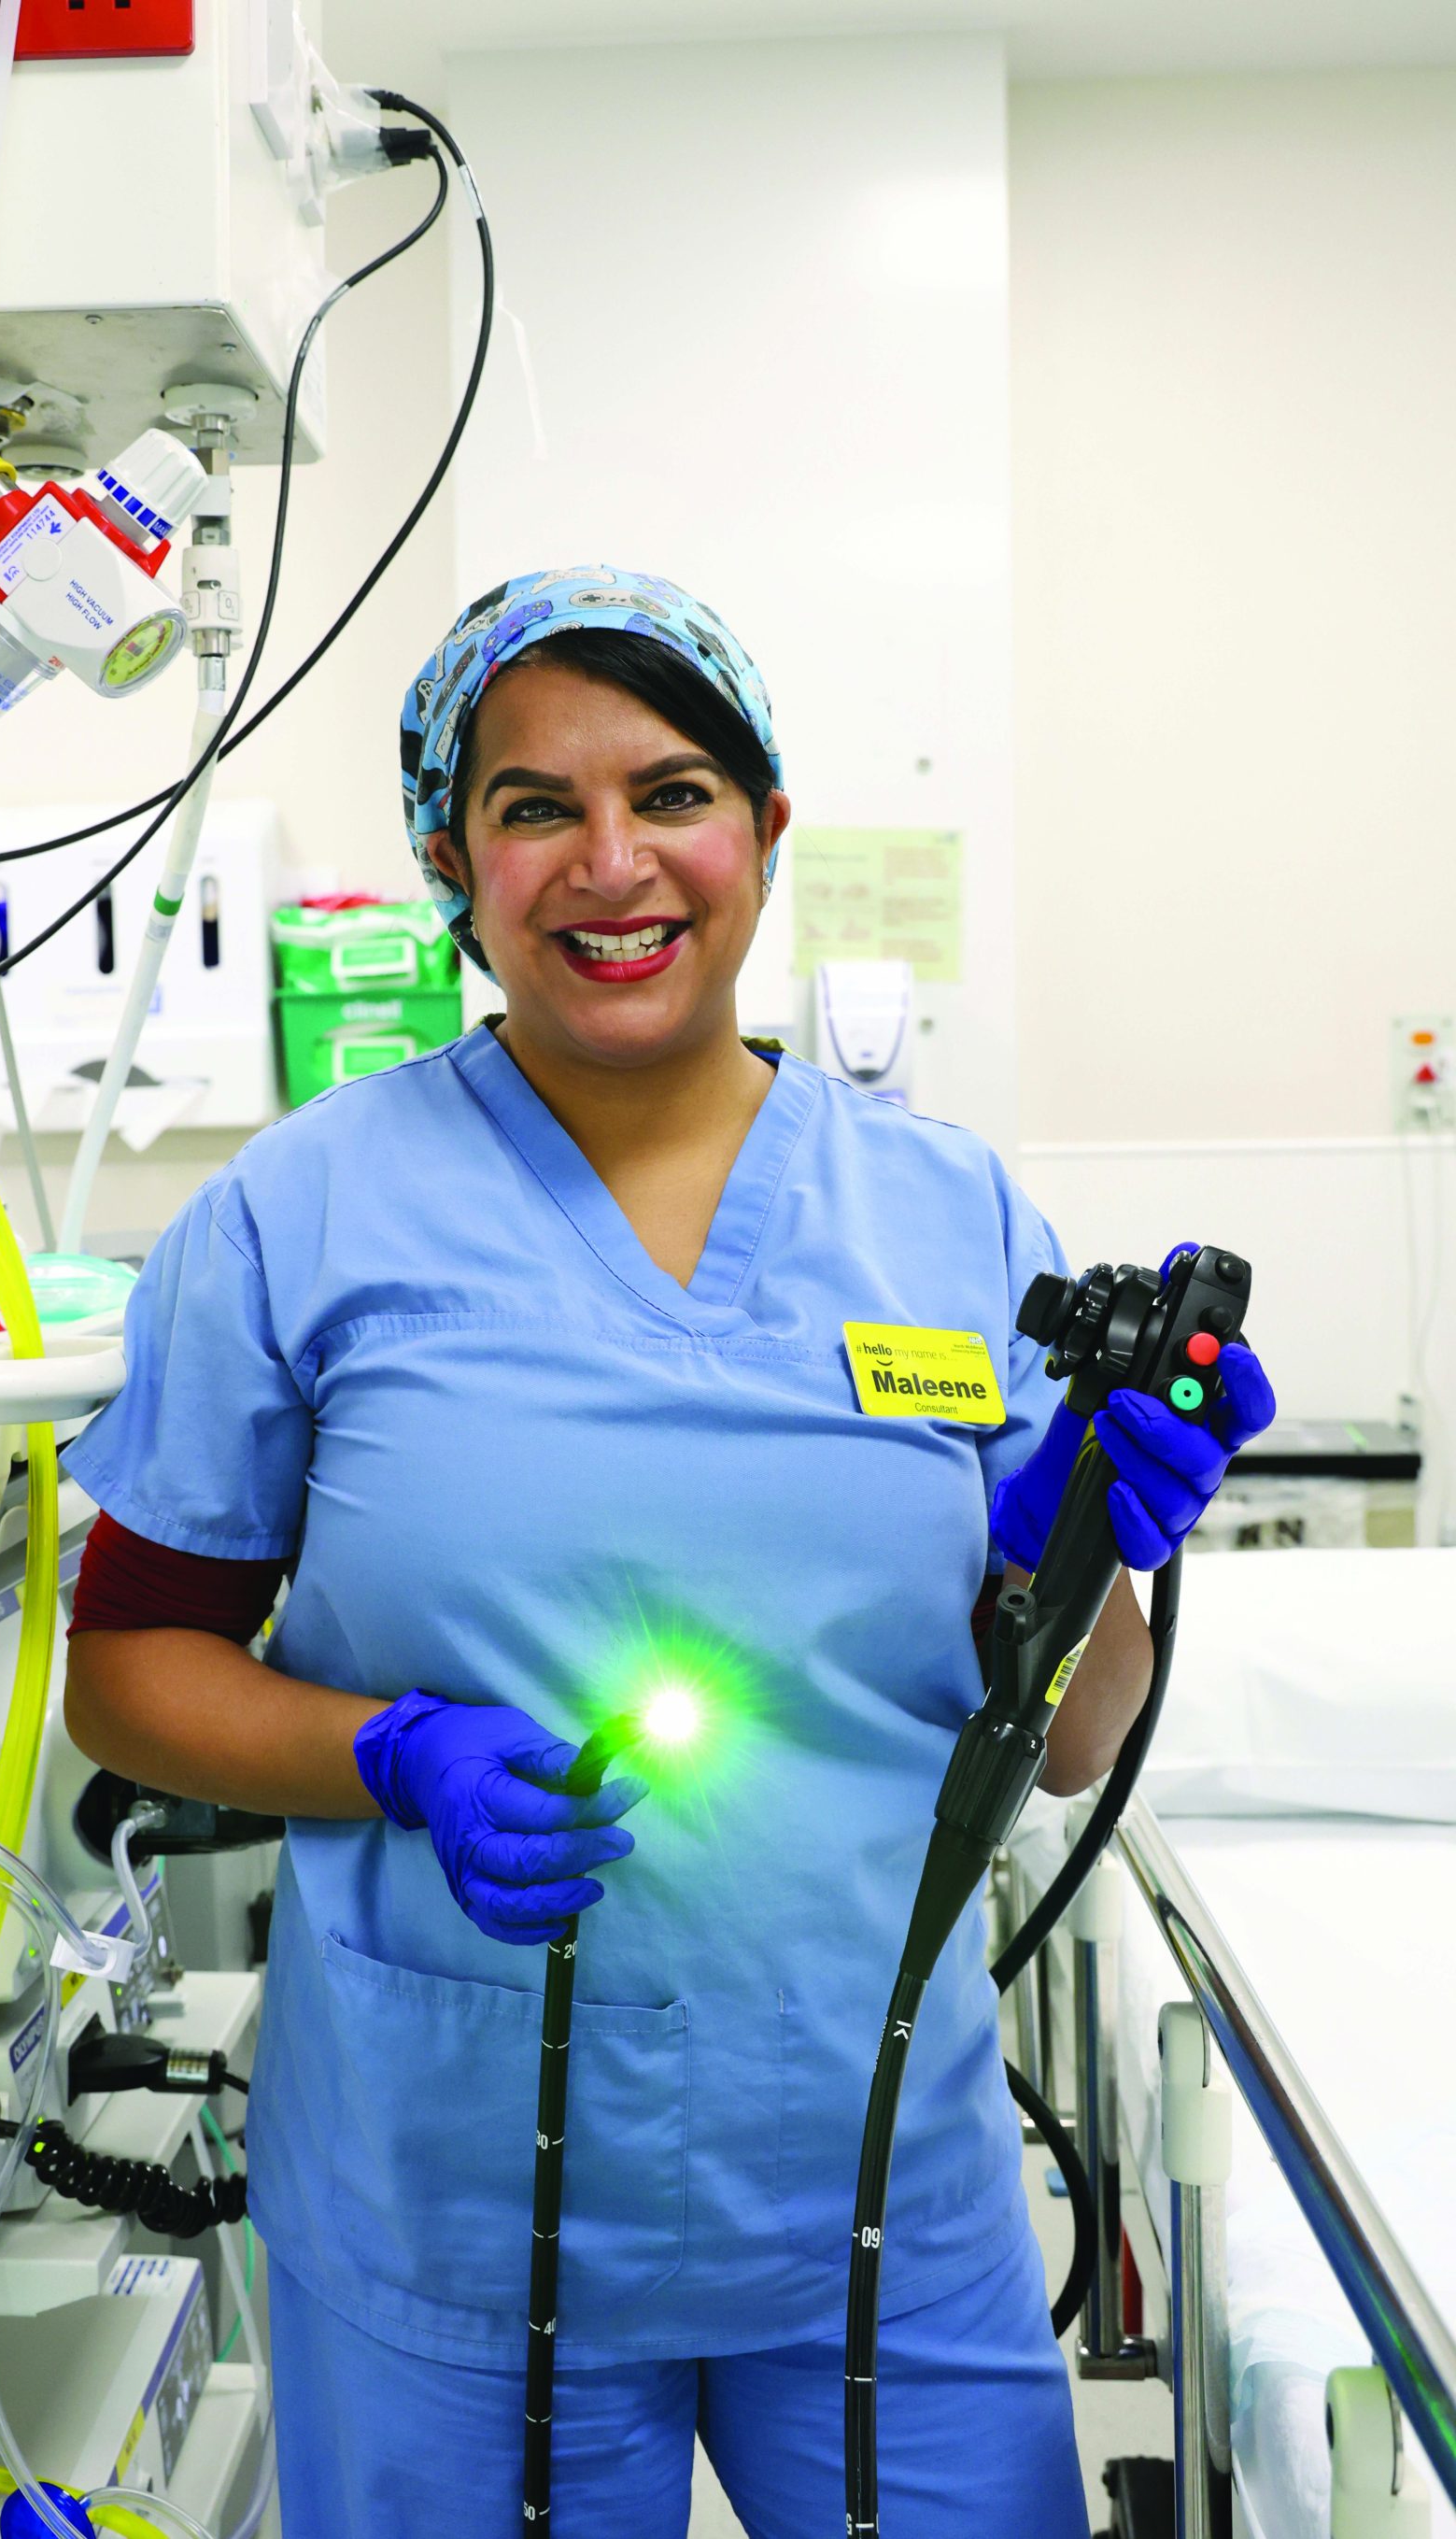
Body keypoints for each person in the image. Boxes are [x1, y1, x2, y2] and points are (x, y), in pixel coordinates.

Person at [62, 565, 1275, 2539]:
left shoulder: (954, 1218)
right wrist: (385, 1754)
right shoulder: (300, 1217)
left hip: (880, 2182)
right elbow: (128, 1673)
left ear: (767, 834)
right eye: (535, 805)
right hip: (451, 2201)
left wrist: (1084, 1553)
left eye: (676, 792)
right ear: (454, 859)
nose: (612, 863)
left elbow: (1061, 1737)